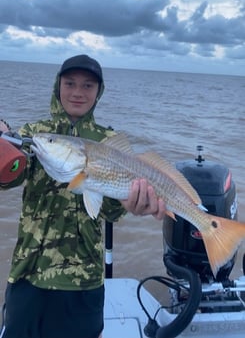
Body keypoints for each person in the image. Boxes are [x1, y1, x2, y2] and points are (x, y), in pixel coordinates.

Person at [0, 54, 165, 338]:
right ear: (57, 86)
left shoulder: (109, 140)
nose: (77, 92)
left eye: (88, 86)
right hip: (28, 272)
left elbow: (111, 212)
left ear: (98, 92)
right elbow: (8, 177)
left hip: (83, 279)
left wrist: (130, 203)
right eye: (70, 83)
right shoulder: (35, 134)